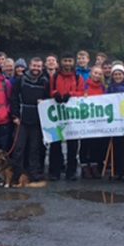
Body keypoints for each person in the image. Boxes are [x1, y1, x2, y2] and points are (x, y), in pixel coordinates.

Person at [11, 57, 49, 181]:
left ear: (42, 67)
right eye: (34, 66)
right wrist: (15, 115)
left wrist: (44, 102)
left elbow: (49, 99)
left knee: (35, 148)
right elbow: (14, 98)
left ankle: (33, 172)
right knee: (19, 148)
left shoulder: (45, 81)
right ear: (30, 65)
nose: (36, 68)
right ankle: (17, 173)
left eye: (38, 66)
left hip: (37, 119)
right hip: (22, 118)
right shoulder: (20, 80)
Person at [49, 53, 84, 181]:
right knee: (55, 143)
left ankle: (71, 171)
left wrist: (71, 94)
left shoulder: (78, 76)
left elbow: (81, 92)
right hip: (57, 112)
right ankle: (55, 171)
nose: (67, 63)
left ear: (73, 62)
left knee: (73, 145)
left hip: (72, 114)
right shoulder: (55, 76)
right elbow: (50, 91)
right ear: (61, 62)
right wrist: (55, 94)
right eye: (65, 60)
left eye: (70, 61)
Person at [106, 64, 124, 181]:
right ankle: (117, 170)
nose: (117, 76)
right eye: (115, 74)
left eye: (119, 74)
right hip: (115, 121)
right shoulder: (110, 88)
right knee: (116, 146)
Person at [81, 65, 107, 179]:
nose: (97, 75)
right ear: (91, 73)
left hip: (98, 120)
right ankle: (84, 166)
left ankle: (94, 165)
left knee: (96, 144)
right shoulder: (84, 85)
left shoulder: (103, 87)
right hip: (85, 120)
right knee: (85, 144)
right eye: (95, 73)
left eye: (99, 74)